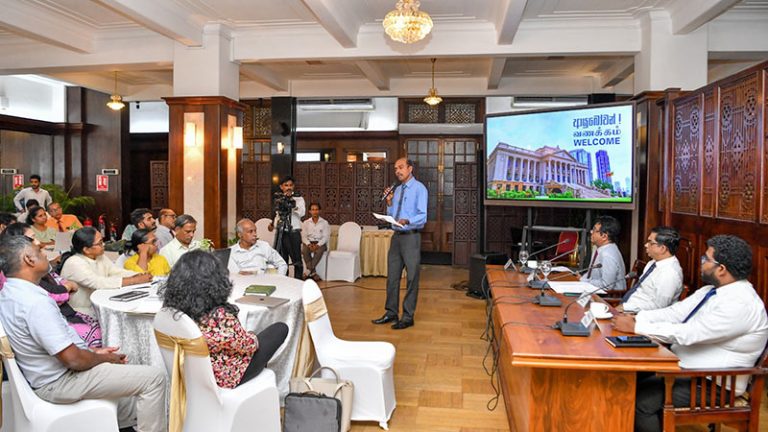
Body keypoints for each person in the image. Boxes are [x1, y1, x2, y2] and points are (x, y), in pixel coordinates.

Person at [0, 235, 166, 432]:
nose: (45, 254)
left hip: (45, 376)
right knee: (154, 377)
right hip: (61, 382)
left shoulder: (10, 293)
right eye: (39, 251)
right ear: (29, 259)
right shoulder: (35, 303)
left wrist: (93, 352)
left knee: (130, 385)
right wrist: (105, 358)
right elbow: (74, 360)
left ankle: (117, 425)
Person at [613, 235, 768, 432]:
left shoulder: (741, 304)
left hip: (713, 383)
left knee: (641, 403)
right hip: (685, 369)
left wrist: (636, 328)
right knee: (625, 382)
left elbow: (689, 333)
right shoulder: (712, 290)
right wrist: (636, 319)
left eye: (706, 259)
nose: (701, 263)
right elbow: (675, 313)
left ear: (721, 269)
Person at [159, 250, 289, 389]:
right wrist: (252, 337)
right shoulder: (218, 316)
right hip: (226, 376)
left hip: (193, 374)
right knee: (279, 329)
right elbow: (249, 346)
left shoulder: (173, 310)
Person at [2, 222, 102, 348]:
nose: (38, 242)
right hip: (63, 320)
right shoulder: (35, 298)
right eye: (32, 238)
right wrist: (67, 287)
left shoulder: (26, 280)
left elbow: (57, 279)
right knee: (100, 334)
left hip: (66, 315)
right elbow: (70, 355)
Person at [372, 158, 428, 330]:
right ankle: (391, 312)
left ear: (410, 168)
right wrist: (389, 203)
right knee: (392, 277)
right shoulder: (396, 189)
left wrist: (408, 220)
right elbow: (393, 215)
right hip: (396, 237)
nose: (397, 171)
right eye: (396, 168)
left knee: (412, 278)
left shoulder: (419, 189)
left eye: (401, 167)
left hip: (411, 237)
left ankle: (408, 316)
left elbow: (423, 216)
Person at [60, 227, 152, 313]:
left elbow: (115, 272)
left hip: (99, 305)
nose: (104, 245)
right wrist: (134, 280)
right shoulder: (74, 263)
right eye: (100, 243)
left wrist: (137, 275)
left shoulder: (99, 256)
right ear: (86, 250)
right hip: (81, 311)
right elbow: (98, 282)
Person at [620, 226, 684, 313]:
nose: (646, 245)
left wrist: (625, 307)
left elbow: (658, 306)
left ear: (662, 248)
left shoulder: (669, 273)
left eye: (650, 242)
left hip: (639, 315)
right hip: (628, 307)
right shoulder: (653, 263)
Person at [214, 218, 287, 275]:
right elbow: (235, 275)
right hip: (242, 285)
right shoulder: (231, 252)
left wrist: (278, 279)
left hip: (263, 283)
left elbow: (282, 264)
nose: (255, 234)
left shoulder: (264, 246)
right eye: (250, 231)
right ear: (240, 235)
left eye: (255, 231)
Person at [268, 176, 305, 279]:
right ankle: (284, 281)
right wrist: (273, 224)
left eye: (290, 185)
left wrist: (293, 205)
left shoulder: (299, 198)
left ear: (293, 186)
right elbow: (277, 214)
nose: (288, 187)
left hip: (293, 232)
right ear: (281, 187)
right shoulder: (279, 199)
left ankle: (298, 281)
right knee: (281, 259)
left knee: (296, 260)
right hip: (281, 231)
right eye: (286, 185)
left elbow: (302, 213)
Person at [580, 215, 626, 293]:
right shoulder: (600, 248)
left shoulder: (608, 255)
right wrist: (582, 279)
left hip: (609, 297)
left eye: (594, 230)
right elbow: (591, 274)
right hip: (594, 291)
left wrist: (585, 281)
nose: (591, 232)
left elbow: (606, 286)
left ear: (604, 236)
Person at [301, 202, 330, 281]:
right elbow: (303, 236)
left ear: (319, 211)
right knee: (304, 250)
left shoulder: (324, 223)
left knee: (319, 251)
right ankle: (313, 273)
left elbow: (325, 237)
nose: (315, 211)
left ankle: (308, 271)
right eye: (313, 210)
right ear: (310, 211)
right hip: (309, 242)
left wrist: (318, 245)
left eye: (316, 209)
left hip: (320, 243)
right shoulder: (306, 223)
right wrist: (309, 244)